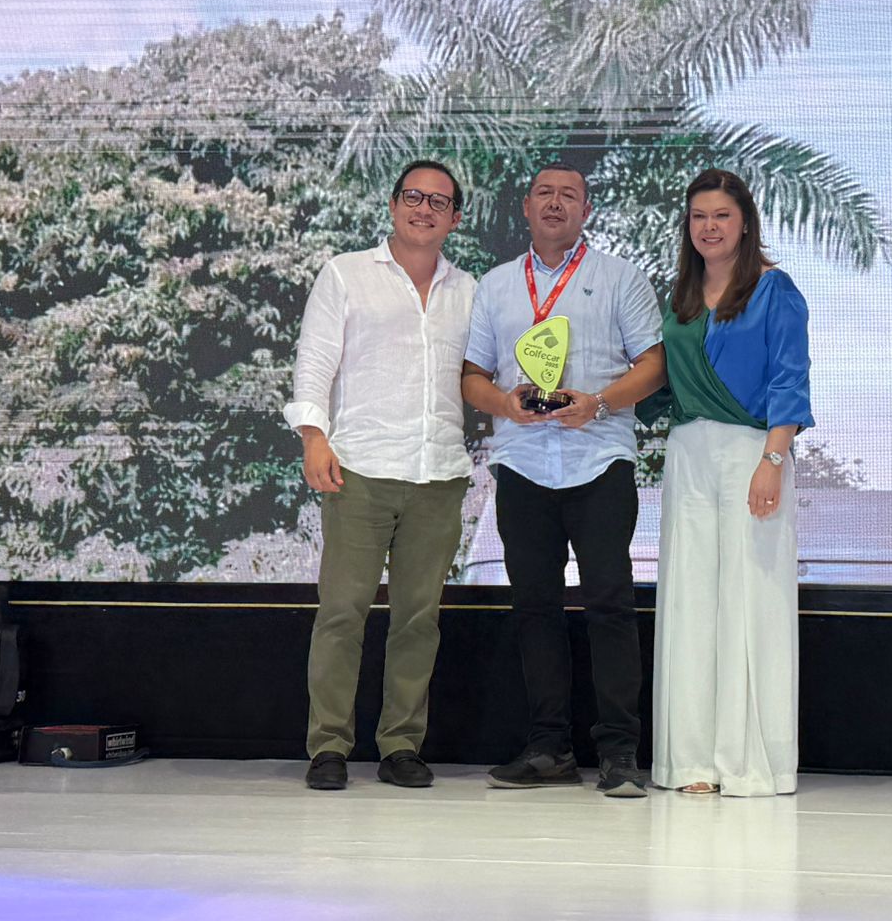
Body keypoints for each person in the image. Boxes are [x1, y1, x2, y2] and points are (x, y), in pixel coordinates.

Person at [462, 162, 665, 798]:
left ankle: (620, 752)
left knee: (610, 604)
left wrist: (598, 403)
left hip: (599, 459)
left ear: (586, 210)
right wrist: (505, 403)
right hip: (522, 462)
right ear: (526, 207)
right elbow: (472, 377)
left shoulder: (621, 278)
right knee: (535, 606)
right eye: (545, 194)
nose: (556, 203)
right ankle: (549, 747)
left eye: (569, 195)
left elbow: (654, 366)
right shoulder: (495, 286)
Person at [284, 159, 475, 791]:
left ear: (454, 218)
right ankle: (328, 746)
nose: (424, 209)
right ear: (393, 205)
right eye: (413, 197)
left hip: (437, 474)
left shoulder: (469, 292)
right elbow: (315, 360)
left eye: (439, 202)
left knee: (418, 619)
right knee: (342, 613)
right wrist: (314, 435)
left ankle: (400, 745)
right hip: (359, 470)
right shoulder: (346, 274)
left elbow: (483, 376)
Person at [651, 169, 813, 797]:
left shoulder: (775, 291)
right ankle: (690, 762)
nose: (709, 227)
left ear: (745, 222)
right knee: (690, 601)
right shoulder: (682, 297)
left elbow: (789, 381)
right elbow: (661, 382)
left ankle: (748, 765)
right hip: (689, 452)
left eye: (721, 215)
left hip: (753, 451)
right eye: (698, 216)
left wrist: (772, 460)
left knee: (751, 600)